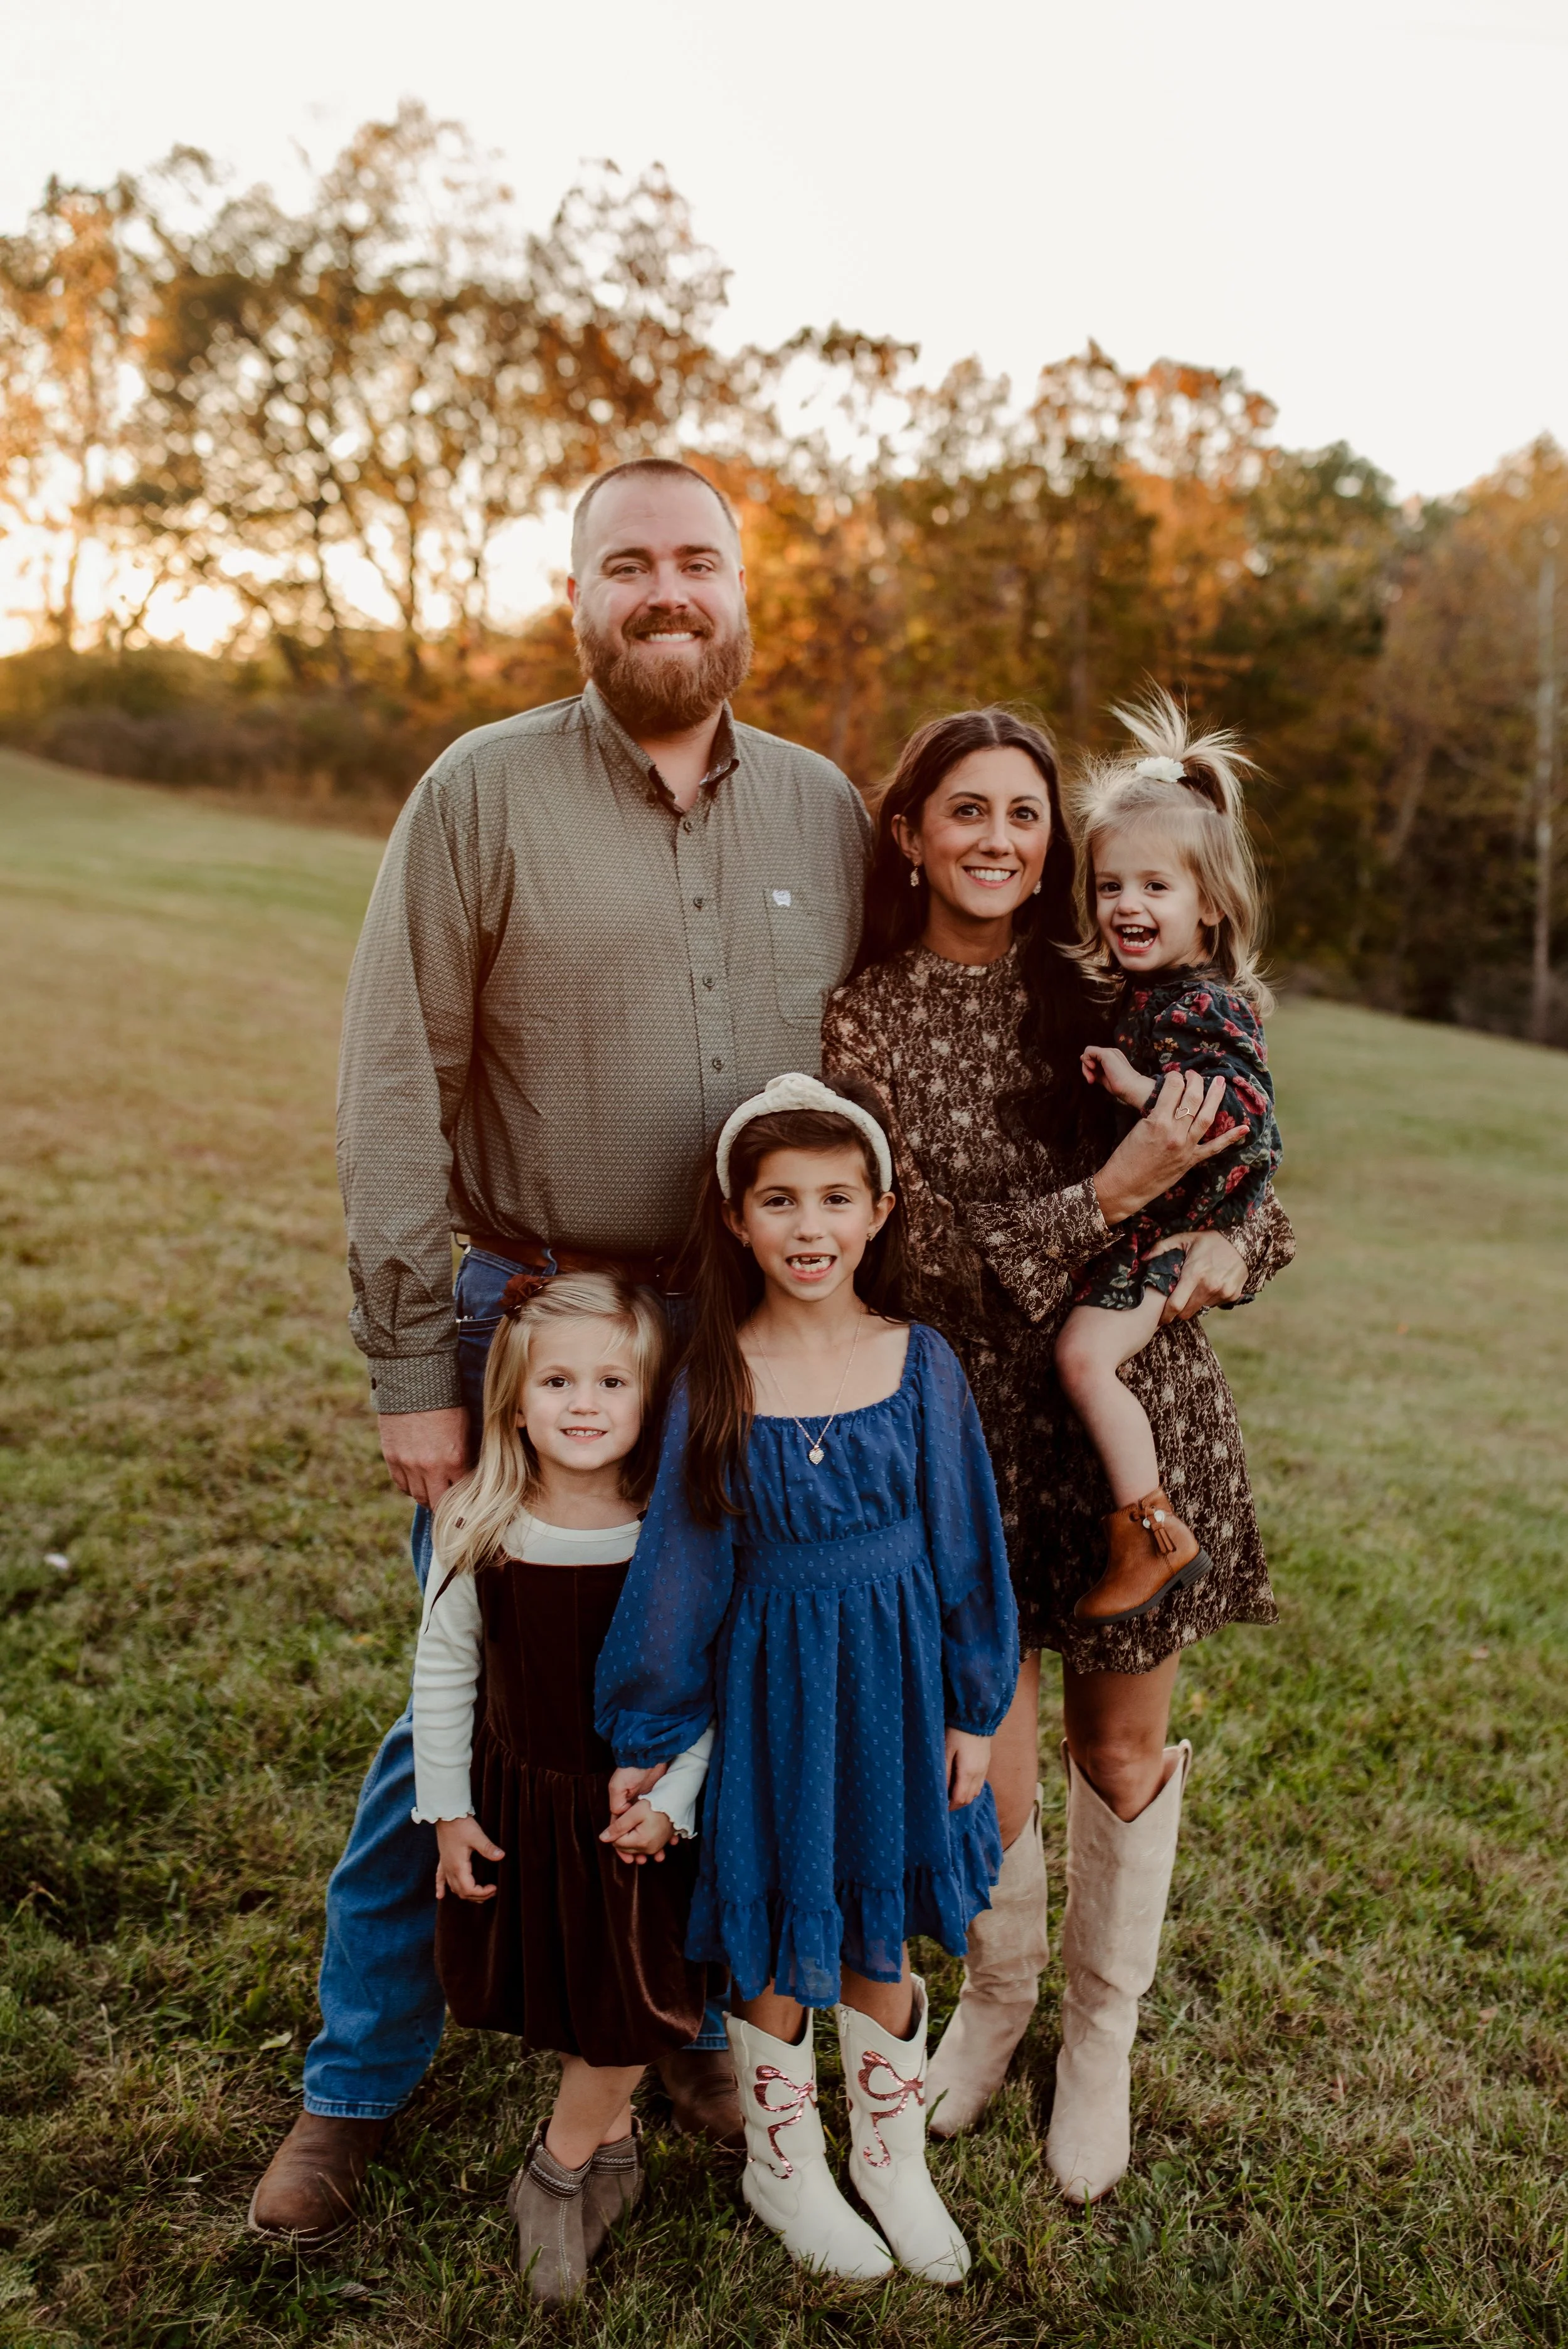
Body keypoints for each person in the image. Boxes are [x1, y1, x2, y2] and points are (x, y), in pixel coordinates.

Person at [248, 458, 872, 2243]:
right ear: (576, 595)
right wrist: (409, 1372)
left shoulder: (826, 811)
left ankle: (666, 2027)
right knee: (475, 1704)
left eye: (695, 563)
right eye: (627, 568)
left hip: (747, 1343)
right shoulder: (479, 792)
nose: (663, 593)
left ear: (745, 591)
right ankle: (351, 2084)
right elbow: (391, 1082)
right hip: (531, 1337)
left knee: (721, 1709)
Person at [822, 706, 1295, 2206]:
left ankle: (1099, 2039)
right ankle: (1000, 1994)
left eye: (1025, 817)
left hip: (1128, 1426)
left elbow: (1256, 1194)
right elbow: (915, 1266)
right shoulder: (863, 1020)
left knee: (1116, 1746)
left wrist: (1211, 1248)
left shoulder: (1106, 988)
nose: (998, 840)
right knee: (992, 1764)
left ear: (1053, 852)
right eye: (965, 810)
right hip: (958, 1435)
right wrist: (1108, 1194)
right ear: (910, 834)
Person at [595, 1073, 1019, 2285]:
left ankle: (892, 2160)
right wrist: (653, 1722)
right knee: (780, 1936)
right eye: (779, 1201)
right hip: (776, 1693)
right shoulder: (715, 1372)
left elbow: (965, 1542)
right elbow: (684, 1562)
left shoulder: (919, 1361)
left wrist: (974, 1707)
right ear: (736, 1219)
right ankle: (783, 2167)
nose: (810, 1227)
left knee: (882, 1940)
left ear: (882, 1210)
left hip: (897, 1688)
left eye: (837, 1198)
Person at [413, 1270, 711, 2305]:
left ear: (653, 1397)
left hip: (637, 1816)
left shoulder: (673, 1535)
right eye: (557, 1383)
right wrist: (447, 1806)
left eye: (612, 1383)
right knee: (580, 1987)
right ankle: (617, 2149)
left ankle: (556, 2168)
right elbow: (444, 1671)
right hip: (525, 1804)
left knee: (636, 1999)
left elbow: (710, 1687)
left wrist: (678, 1798)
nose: (583, 1405)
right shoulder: (485, 1522)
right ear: (513, 1398)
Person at [1056, 691, 1283, 1626]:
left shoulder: (1200, 1006)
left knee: (1083, 1357)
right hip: (1159, 1222)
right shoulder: (1153, 999)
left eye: (1157, 887)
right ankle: (1147, 1526)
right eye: (1112, 886)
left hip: (1177, 1230)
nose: (1128, 905)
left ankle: (1152, 1532)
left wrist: (1134, 1091)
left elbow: (1241, 1110)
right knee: (1081, 1356)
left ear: (1212, 908)